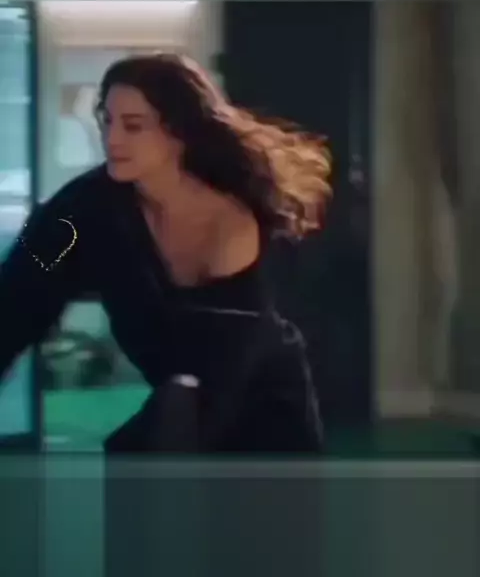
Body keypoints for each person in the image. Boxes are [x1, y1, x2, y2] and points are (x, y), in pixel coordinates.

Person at [0, 53, 331, 454]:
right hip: (182, 412)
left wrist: (149, 444)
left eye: (133, 126)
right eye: (106, 120)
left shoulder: (226, 220)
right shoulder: (82, 213)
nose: (112, 139)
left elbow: (223, 371)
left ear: (178, 132)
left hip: (267, 421)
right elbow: (21, 292)